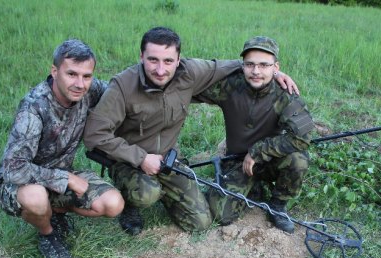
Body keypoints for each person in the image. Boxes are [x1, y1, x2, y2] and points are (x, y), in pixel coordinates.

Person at [83, 27, 298, 235]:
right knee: (146, 193)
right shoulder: (123, 85)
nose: (160, 70)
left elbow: (226, 66)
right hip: (128, 159)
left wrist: (272, 73)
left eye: (168, 61)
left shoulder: (190, 72)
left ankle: (163, 192)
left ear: (178, 60)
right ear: (141, 56)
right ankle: (131, 202)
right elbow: (94, 135)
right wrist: (140, 158)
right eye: (152, 60)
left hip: (168, 159)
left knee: (201, 222)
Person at [0, 39, 125, 258]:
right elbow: (14, 168)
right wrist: (67, 180)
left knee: (113, 204)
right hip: (20, 182)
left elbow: (119, 92)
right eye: (71, 74)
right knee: (35, 197)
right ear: (54, 72)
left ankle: (54, 211)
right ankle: (48, 234)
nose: (79, 84)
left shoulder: (88, 90)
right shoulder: (33, 109)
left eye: (87, 76)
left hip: (61, 173)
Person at [194, 36, 315, 233]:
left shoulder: (285, 94)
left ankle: (277, 205)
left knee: (298, 159)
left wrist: (258, 151)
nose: (256, 71)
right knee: (221, 214)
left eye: (263, 65)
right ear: (242, 65)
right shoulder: (230, 86)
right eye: (249, 64)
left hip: (269, 159)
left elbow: (303, 137)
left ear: (276, 67)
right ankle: (253, 187)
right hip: (236, 159)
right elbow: (194, 83)